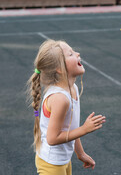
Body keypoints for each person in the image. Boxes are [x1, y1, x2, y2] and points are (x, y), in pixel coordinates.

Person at [27, 39, 106, 175]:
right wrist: (84, 129)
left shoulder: (73, 88)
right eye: (70, 54)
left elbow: (70, 127)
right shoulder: (60, 99)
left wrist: (80, 153)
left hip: (63, 160)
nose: (77, 53)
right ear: (59, 68)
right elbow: (52, 139)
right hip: (51, 163)